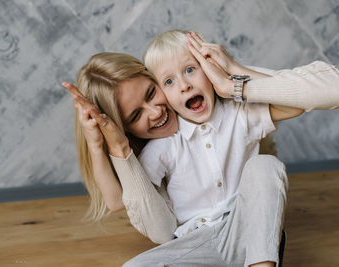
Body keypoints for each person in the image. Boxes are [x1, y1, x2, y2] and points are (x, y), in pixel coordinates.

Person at [63, 33, 339, 266]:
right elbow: (123, 206)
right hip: (197, 242)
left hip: (251, 227)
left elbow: (330, 90)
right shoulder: (159, 150)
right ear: (124, 128)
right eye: (135, 116)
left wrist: (235, 78)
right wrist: (106, 143)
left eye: (151, 93)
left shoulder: (237, 114)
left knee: (265, 165)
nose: (156, 110)